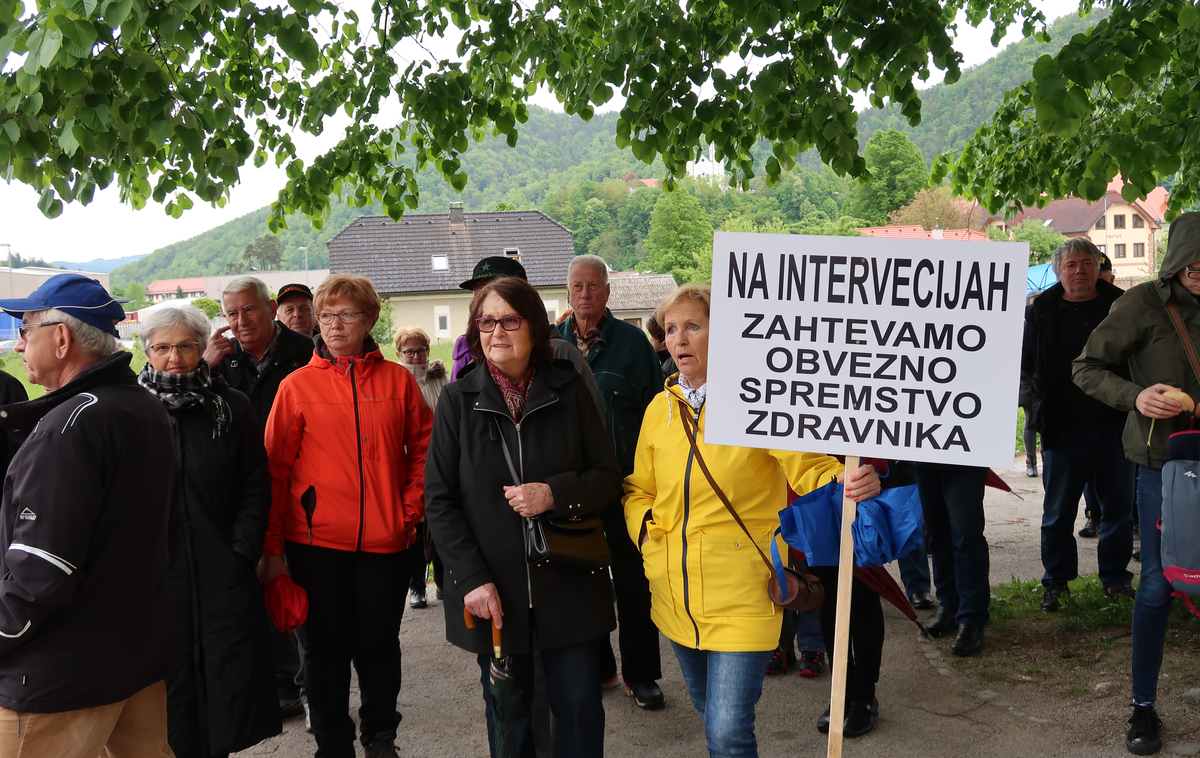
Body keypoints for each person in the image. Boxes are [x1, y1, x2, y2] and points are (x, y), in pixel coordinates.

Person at [623, 284, 881, 754]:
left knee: (726, 730)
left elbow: (809, 465)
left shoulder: (757, 399)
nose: (680, 340)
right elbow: (639, 489)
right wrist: (645, 532)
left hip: (744, 592)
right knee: (712, 718)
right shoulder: (658, 410)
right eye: (672, 329)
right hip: (674, 593)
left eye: (694, 327)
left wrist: (849, 478)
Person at [425, 276, 622, 758]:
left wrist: (553, 493)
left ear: (533, 326)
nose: (497, 331)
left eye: (509, 319)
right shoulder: (457, 401)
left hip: (569, 579)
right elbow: (439, 500)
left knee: (578, 706)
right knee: (509, 713)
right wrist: (470, 578)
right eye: (486, 321)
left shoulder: (569, 388)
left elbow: (607, 477)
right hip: (495, 590)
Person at [0, 274, 178, 755]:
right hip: (133, 653)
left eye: (25, 329)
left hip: (60, 674)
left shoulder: (71, 426)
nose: (19, 345)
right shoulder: (142, 404)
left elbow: (42, 572)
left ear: (61, 338)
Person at [259, 274, 432, 758]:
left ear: (370, 319)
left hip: (387, 542)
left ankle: (380, 737)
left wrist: (408, 511)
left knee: (378, 646)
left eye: (347, 314)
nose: (335, 325)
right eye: (327, 315)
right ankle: (332, 744)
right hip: (315, 546)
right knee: (323, 650)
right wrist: (272, 550)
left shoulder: (398, 381)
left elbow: (426, 451)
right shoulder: (296, 387)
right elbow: (273, 473)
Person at [1074, 212, 1200, 756]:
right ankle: (1143, 708)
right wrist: (1136, 397)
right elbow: (1086, 367)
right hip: (1163, 463)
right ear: (1177, 259)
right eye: (1193, 263)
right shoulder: (1145, 304)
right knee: (1156, 583)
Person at [138, 304, 281, 758]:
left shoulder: (230, 406)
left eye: (185, 346)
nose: (174, 358)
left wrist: (242, 551)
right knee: (165, 692)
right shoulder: (131, 412)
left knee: (227, 686)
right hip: (154, 579)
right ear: (147, 352)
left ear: (204, 349)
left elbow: (255, 484)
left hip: (223, 570)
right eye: (162, 348)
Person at [204, 275, 315, 719]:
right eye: (231, 313)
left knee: (299, 589)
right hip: (241, 494)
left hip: (298, 490)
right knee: (257, 588)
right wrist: (204, 366)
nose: (240, 321)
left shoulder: (306, 352)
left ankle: (312, 691)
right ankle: (282, 685)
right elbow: (161, 398)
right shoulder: (219, 361)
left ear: (271, 308)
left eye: (249, 309)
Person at [557, 254, 666, 708]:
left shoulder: (633, 344)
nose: (585, 294)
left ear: (608, 292)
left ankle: (641, 676)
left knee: (634, 582)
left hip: (625, 486)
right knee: (581, 584)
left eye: (593, 286)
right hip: (571, 488)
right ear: (568, 292)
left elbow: (656, 417)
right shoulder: (548, 346)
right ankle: (598, 668)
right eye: (577, 286)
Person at [1022, 237, 1135, 612]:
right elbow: (1025, 362)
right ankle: (1056, 582)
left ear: (1098, 267)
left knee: (1118, 509)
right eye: (1070, 265)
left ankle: (1116, 579)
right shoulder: (1041, 311)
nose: (1079, 271)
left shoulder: (1120, 306)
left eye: (1087, 263)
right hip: (1062, 428)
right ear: (1058, 271)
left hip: (1116, 425)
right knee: (1057, 512)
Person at [394, 325, 451, 609]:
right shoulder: (393, 381)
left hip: (440, 462)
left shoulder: (441, 379)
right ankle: (416, 586)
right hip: (409, 467)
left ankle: (442, 583)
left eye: (421, 351)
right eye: (410, 351)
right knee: (414, 529)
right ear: (399, 353)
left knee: (441, 525)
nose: (416, 357)